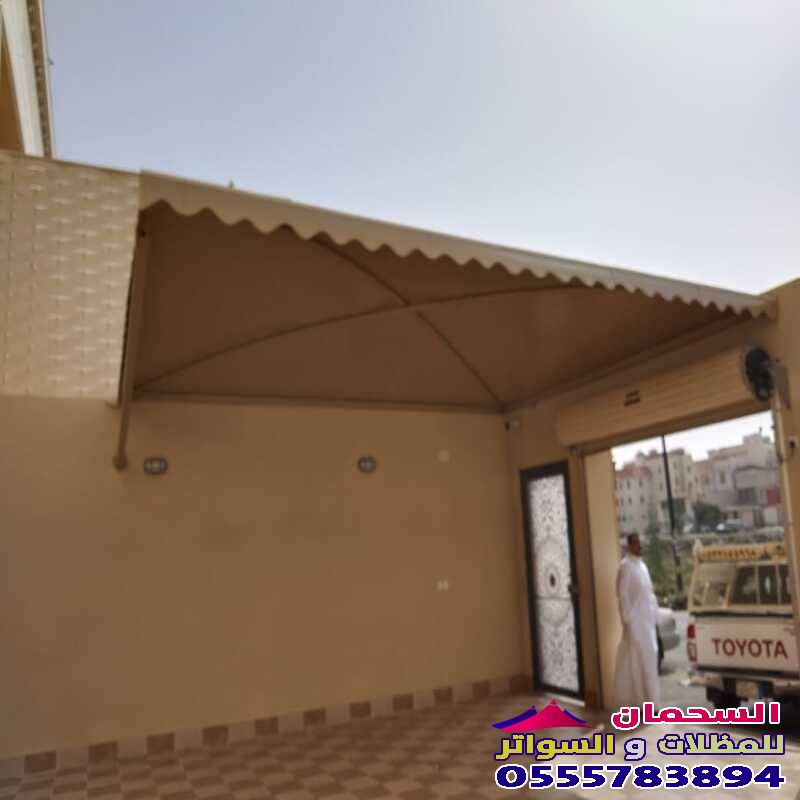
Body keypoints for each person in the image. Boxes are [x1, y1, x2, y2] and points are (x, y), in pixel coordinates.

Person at [612, 532, 660, 712]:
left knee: (650, 660)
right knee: (637, 663)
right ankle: (641, 704)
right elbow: (622, 594)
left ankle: (652, 703)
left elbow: (649, 594)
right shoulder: (626, 566)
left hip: (647, 622)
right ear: (630, 545)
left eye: (640, 543)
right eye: (637, 543)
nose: (640, 546)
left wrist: (655, 616)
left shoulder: (642, 566)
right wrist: (627, 620)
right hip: (635, 623)